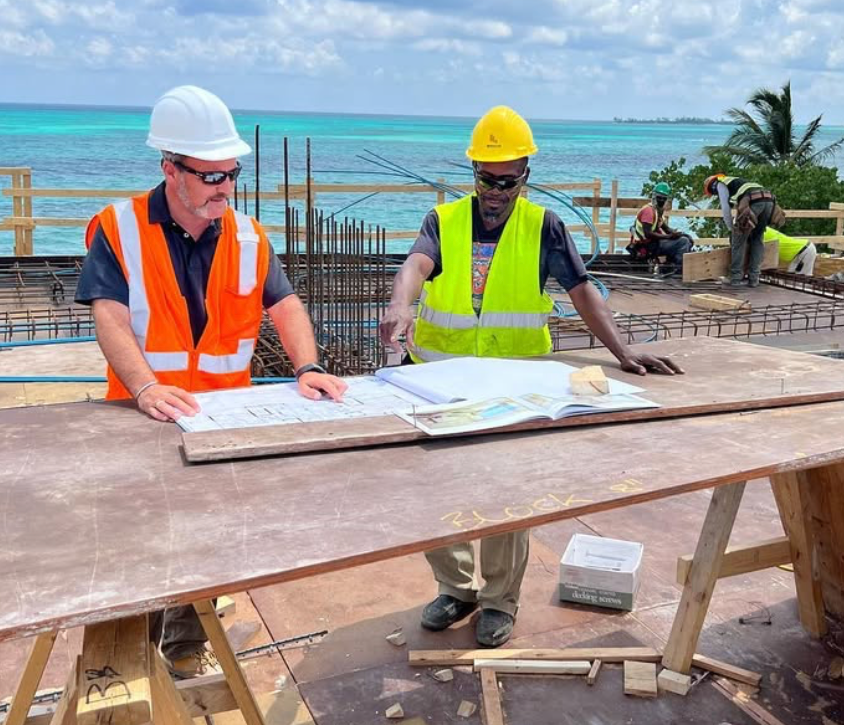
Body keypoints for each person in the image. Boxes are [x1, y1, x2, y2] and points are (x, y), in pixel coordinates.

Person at [379, 105, 684, 648]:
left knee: (504, 497)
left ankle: (498, 600)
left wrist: (623, 351)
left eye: (507, 180)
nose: (495, 190)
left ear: (526, 177)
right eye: (486, 178)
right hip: (439, 379)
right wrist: (401, 304)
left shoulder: (543, 225)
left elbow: (582, 290)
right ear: (472, 174)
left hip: (514, 384)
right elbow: (415, 266)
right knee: (434, 492)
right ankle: (456, 588)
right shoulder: (443, 221)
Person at [75, 84, 347, 675]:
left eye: (230, 174)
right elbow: (109, 316)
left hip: (220, 417)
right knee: (143, 539)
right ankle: (127, 652)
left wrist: (309, 366)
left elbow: (287, 304)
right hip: (142, 413)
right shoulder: (119, 228)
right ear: (170, 169)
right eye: (210, 176)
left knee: (206, 536)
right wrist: (146, 387)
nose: (224, 186)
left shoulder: (248, 236)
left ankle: (185, 641)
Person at [704, 173, 784, 287]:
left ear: (711, 186)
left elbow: (726, 210)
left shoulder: (720, 185)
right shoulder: (738, 182)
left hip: (754, 201)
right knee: (757, 238)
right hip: (770, 201)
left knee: (738, 240)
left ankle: (735, 278)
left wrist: (732, 228)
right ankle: (754, 278)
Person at [627, 181, 693, 274]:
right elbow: (648, 233)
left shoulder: (657, 211)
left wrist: (677, 234)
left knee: (687, 238)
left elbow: (666, 228)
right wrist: (669, 237)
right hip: (646, 245)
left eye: (663, 198)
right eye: (659, 198)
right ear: (654, 197)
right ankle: (677, 270)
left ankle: (669, 265)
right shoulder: (648, 211)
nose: (661, 201)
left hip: (654, 243)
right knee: (683, 242)